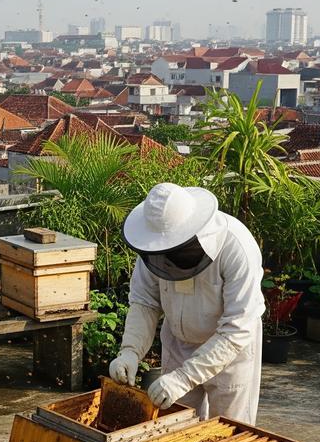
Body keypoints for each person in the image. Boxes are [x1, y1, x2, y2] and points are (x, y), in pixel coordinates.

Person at [108, 182, 265, 424]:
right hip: (178, 344)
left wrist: (184, 378)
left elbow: (236, 328)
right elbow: (144, 302)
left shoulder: (237, 248)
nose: (168, 259)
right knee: (175, 426)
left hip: (230, 351)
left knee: (229, 433)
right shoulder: (153, 247)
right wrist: (130, 351)